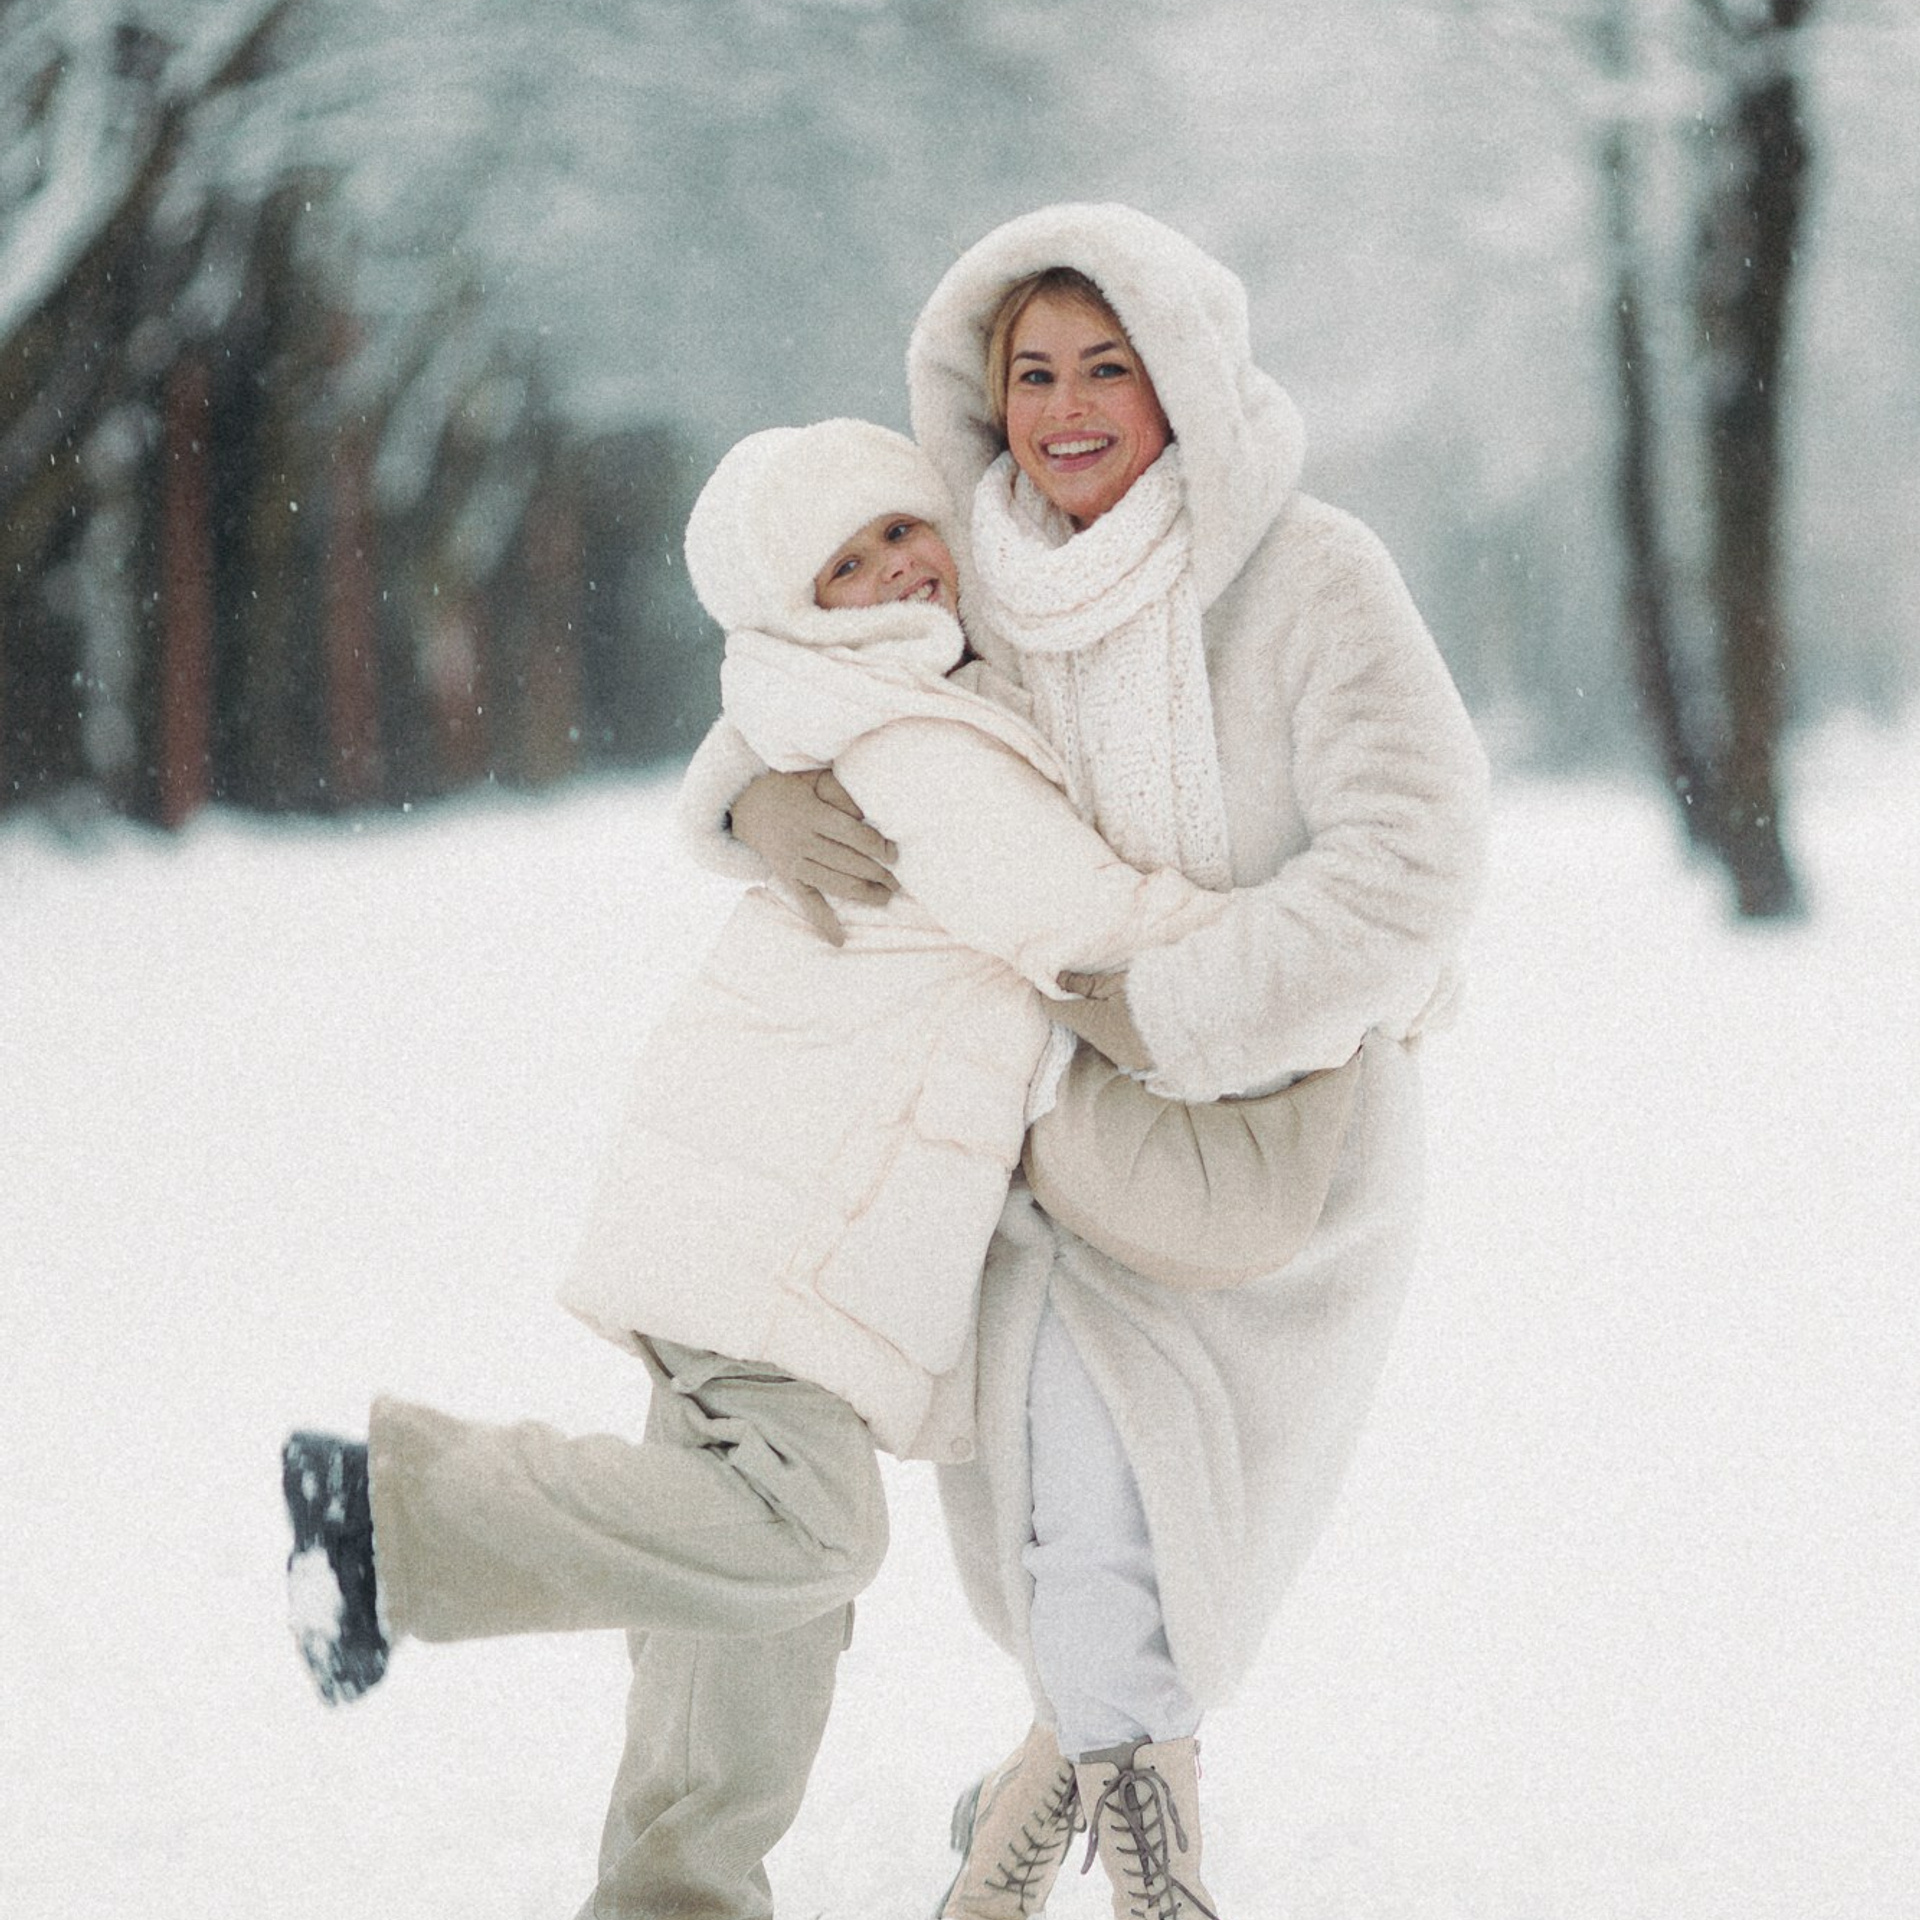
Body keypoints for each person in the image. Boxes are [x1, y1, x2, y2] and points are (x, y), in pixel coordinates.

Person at [280, 416, 1228, 1920]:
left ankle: (671, 1898)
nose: (898, 571)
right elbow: (1088, 912)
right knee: (805, 1537)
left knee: (747, 1637)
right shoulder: (918, 742)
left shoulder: (882, 699)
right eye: (846, 567)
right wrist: (1324, 954)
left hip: (767, 1220)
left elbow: (750, 744)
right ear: (801, 613)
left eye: (902, 531)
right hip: (784, 1238)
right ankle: (398, 1516)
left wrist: (740, 803)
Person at [683, 204, 1491, 1920]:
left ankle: (1036, 1803)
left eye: (1107, 366)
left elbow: (1414, 862)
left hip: (1272, 1149)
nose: (1066, 408)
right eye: (1031, 370)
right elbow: (801, 672)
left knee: (1166, 1551)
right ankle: (1116, 1879)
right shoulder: (973, 574)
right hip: (1037, 1143)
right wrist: (747, 802)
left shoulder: (1307, 571)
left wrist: (1180, 1007)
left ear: (1182, 375)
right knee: (1084, 1532)